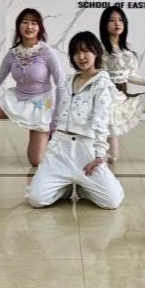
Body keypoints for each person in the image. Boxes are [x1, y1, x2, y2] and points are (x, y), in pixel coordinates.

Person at [27, 31, 124, 209]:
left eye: (86, 51)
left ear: (96, 52)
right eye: (76, 52)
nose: (81, 56)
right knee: (36, 199)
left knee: (112, 202)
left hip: (86, 150)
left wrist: (99, 156)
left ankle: (84, 187)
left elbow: (101, 121)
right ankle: (63, 188)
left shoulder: (102, 83)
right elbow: (57, 115)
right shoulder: (67, 81)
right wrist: (50, 145)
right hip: (60, 149)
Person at [0, 8, 65, 166]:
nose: (29, 26)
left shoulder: (48, 52)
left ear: (40, 28)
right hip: (17, 99)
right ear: (19, 27)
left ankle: (49, 140)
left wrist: (56, 118)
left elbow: (61, 84)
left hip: (40, 105)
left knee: (36, 161)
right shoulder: (13, 54)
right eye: (25, 22)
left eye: (34, 23)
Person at [99, 6, 145, 163]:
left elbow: (129, 76)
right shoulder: (99, 51)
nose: (117, 23)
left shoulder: (127, 49)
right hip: (107, 103)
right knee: (112, 157)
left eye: (121, 20)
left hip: (125, 98)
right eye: (112, 20)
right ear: (104, 24)